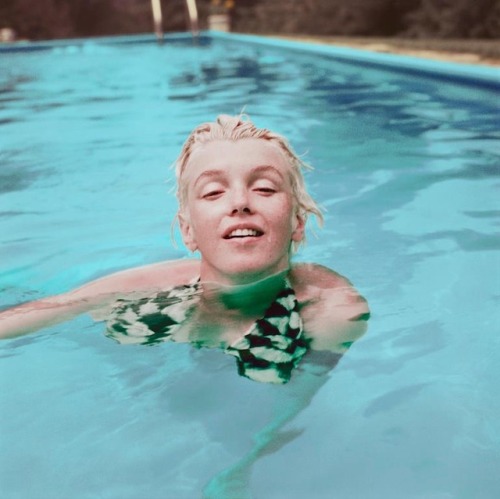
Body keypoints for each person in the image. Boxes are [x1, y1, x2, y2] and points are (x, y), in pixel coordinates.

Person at [0, 114, 369, 384]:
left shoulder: (331, 308)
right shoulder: (156, 288)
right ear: (188, 231)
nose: (240, 202)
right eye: (213, 192)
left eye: (265, 188)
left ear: (297, 223)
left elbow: (292, 408)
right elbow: (47, 313)